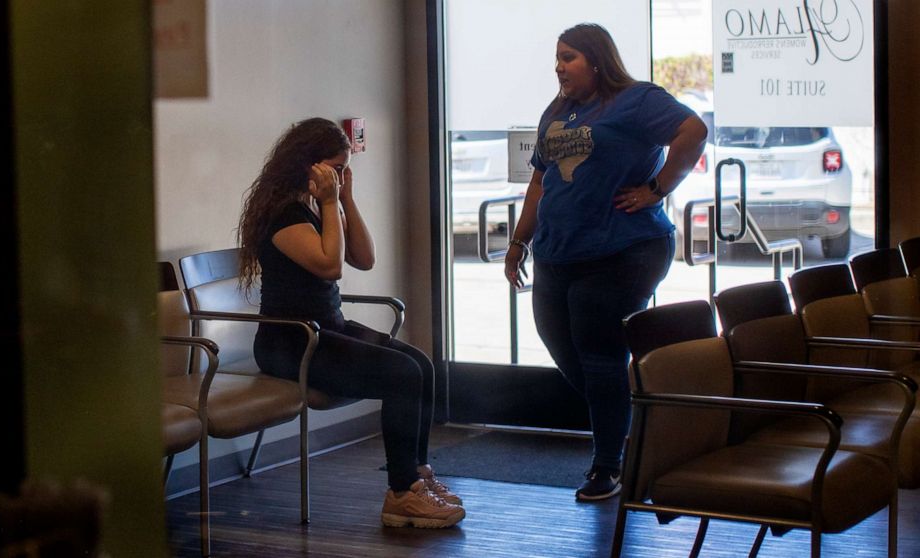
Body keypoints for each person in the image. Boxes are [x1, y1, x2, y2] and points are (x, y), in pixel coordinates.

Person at [503, 24, 707, 501]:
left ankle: (607, 465)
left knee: (598, 349)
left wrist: (657, 188)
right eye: (557, 58)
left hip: (625, 249)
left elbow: (693, 131)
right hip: (558, 250)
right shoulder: (557, 112)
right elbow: (540, 180)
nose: (559, 66)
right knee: (561, 343)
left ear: (597, 60)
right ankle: (633, 410)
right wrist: (518, 243)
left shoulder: (636, 100)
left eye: (569, 57)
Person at [238, 117, 465, 528]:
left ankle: (417, 476)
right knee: (400, 375)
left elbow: (363, 257)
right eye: (334, 168)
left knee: (421, 365)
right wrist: (329, 204)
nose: (340, 176)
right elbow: (330, 266)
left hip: (326, 328)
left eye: (344, 168)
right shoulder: (284, 215)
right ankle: (402, 494)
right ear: (308, 166)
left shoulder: (314, 206)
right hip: (289, 344)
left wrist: (346, 199)